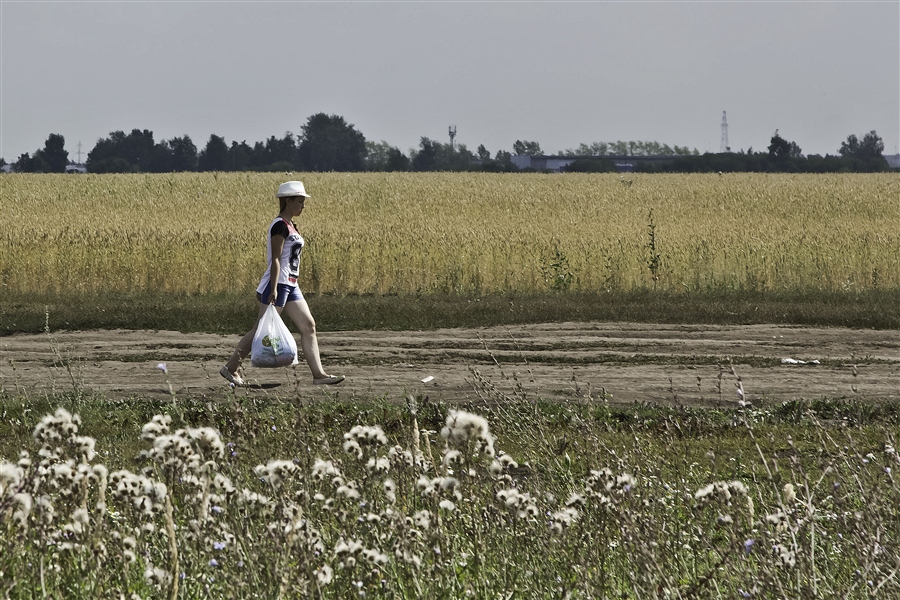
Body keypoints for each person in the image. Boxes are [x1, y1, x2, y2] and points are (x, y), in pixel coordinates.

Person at [220, 181, 344, 387]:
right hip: (280, 283)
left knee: (309, 326)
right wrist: (275, 287)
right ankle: (231, 368)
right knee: (261, 329)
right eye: (300, 201)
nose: (303, 206)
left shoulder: (290, 225)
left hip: (291, 284)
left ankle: (319, 375)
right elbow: (275, 258)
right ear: (288, 201)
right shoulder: (279, 225)